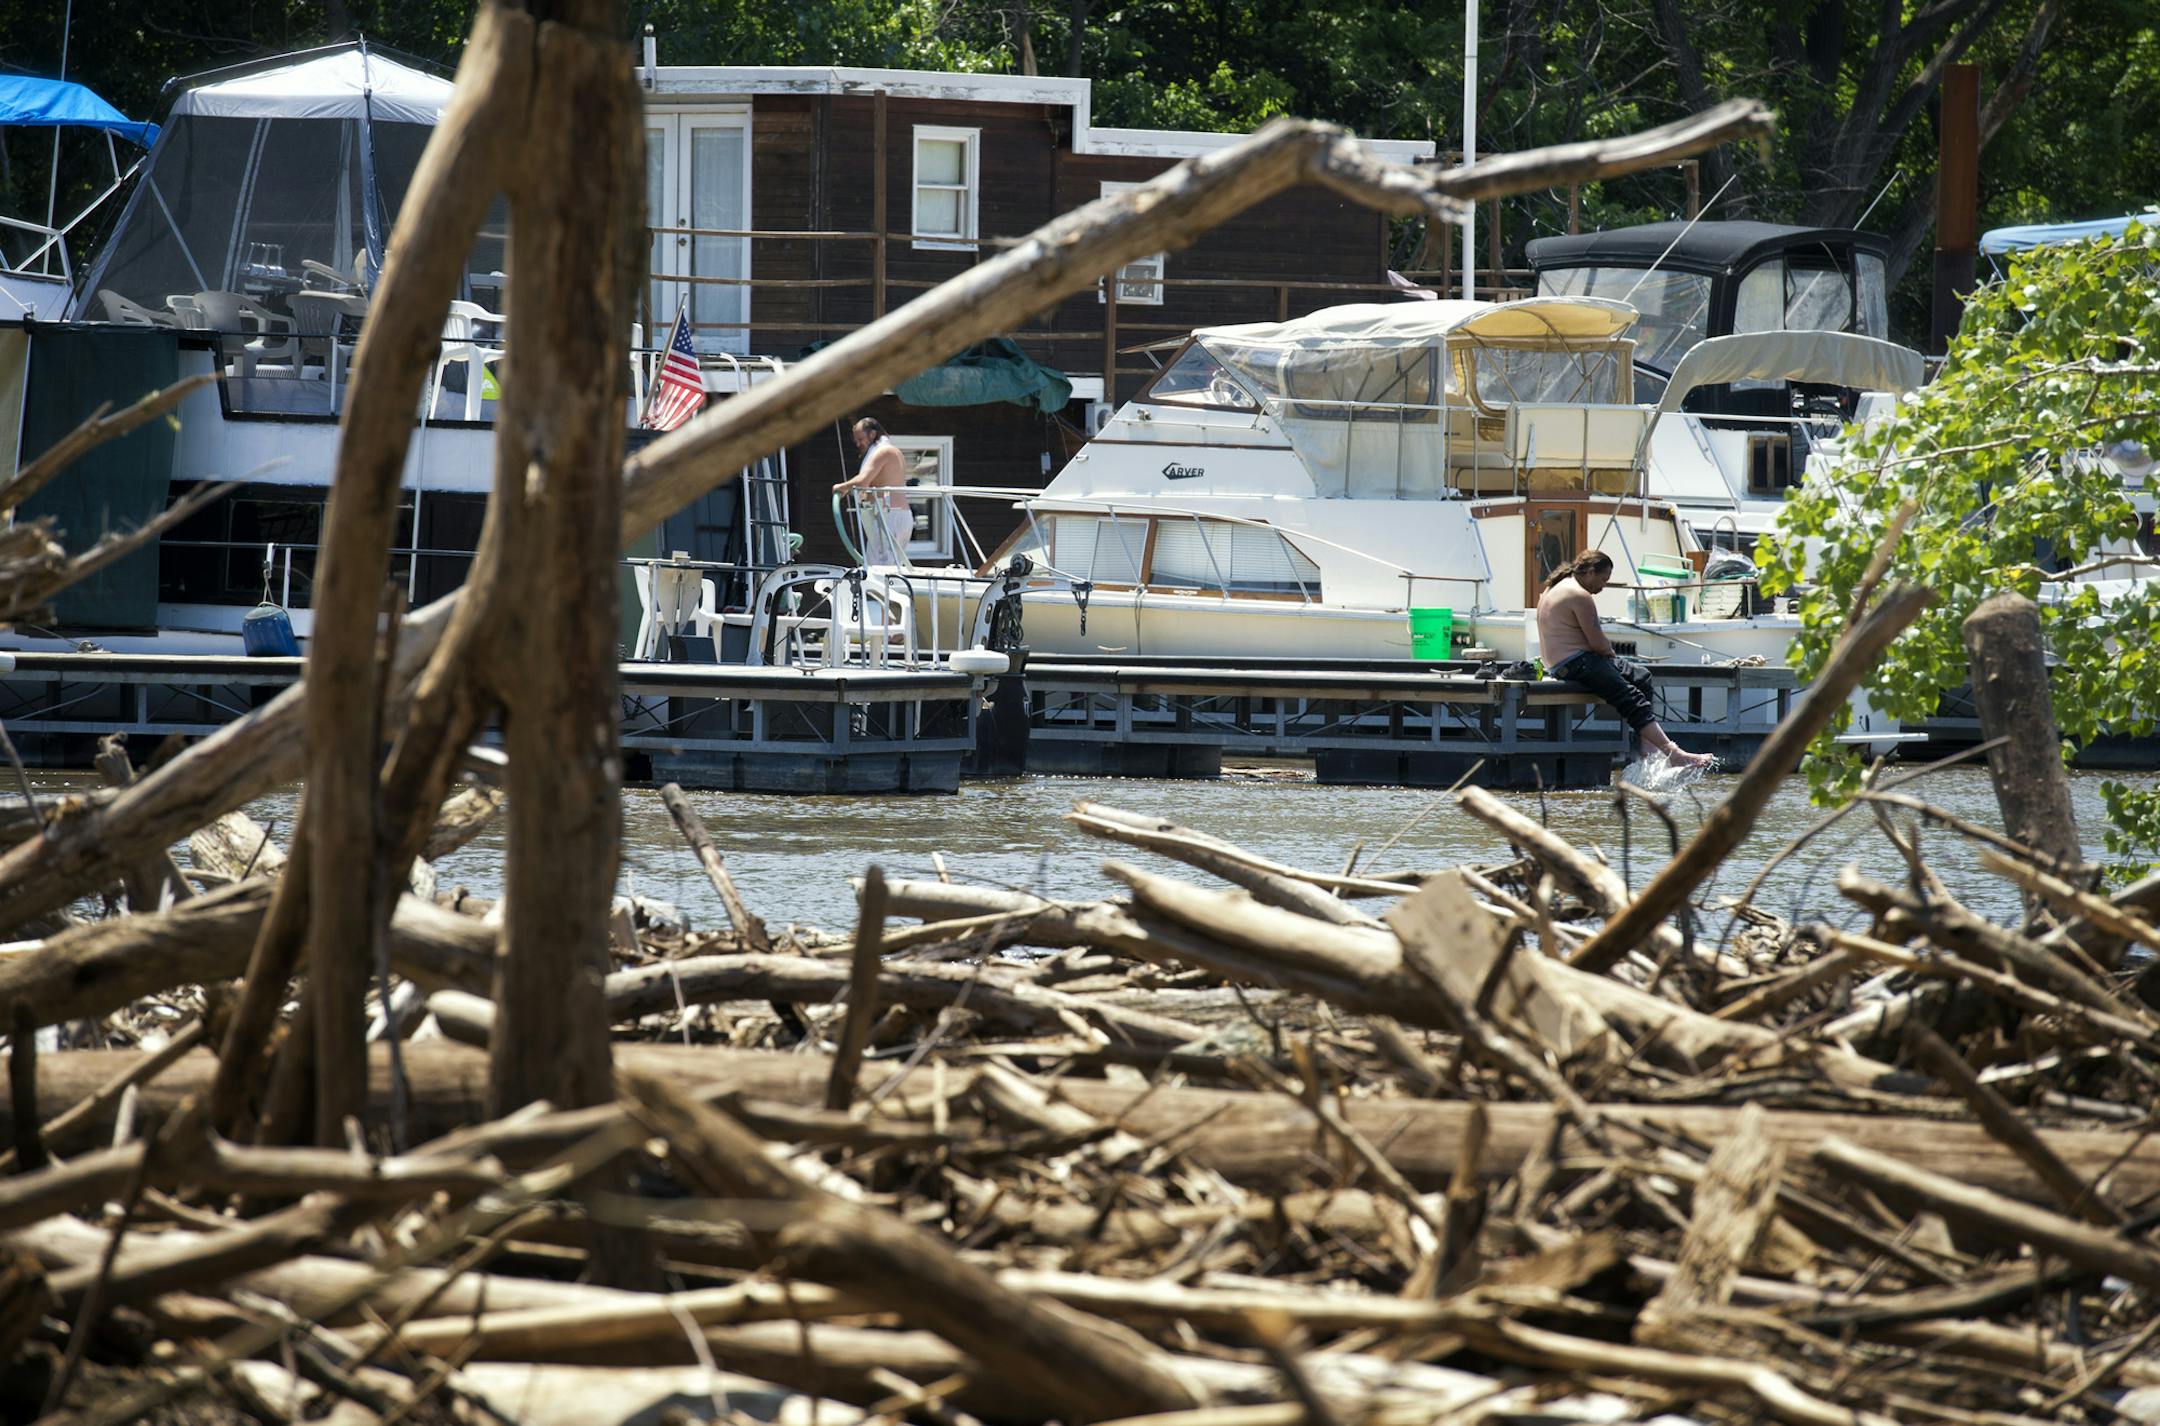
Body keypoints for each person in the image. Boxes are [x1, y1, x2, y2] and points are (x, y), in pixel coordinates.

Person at [1535, 550, 1712, 769]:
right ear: (1590, 572)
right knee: (1631, 697)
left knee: (1640, 676)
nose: (1603, 587)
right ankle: (1672, 752)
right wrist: (1610, 653)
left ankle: (1648, 748)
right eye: (1603, 580)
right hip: (1576, 663)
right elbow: (1598, 644)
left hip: (1562, 663)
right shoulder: (1579, 595)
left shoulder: (1554, 587)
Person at [833, 417, 913, 566]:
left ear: (872, 434)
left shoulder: (882, 451)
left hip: (890, 515)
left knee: (878, 569)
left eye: (860, 439)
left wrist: (841, 487)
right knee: (888, 567)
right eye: (855, 440)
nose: (858, 443)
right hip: (896, 515)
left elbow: (863, 480)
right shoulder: (892, 451)